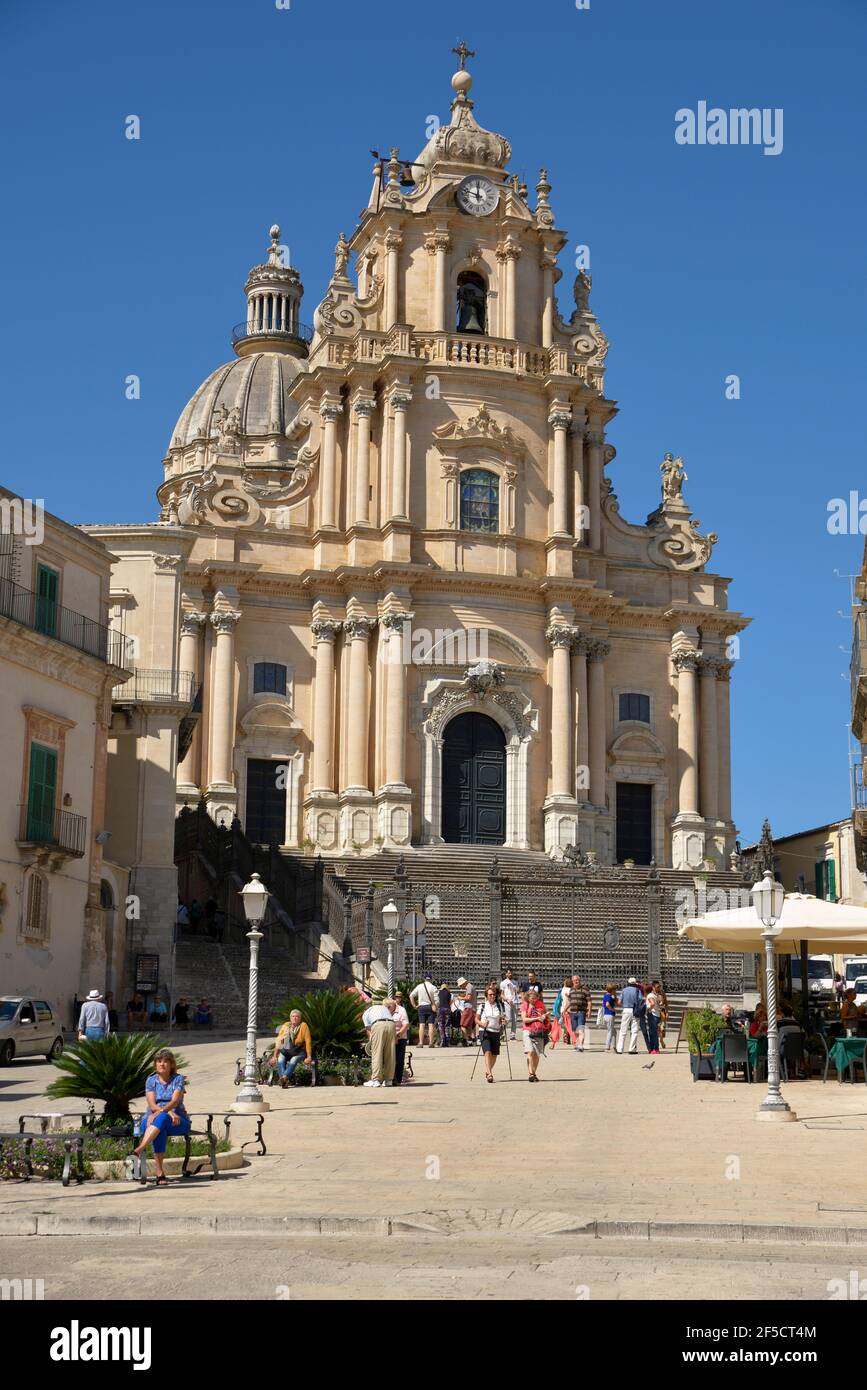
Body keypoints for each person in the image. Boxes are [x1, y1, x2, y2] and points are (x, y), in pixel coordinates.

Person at [132, 1048, 191, 1186]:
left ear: (171, 1065)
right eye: (159, 1061)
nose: (162, 1064)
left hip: (178, 1121)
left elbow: (175, 1101)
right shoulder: (151, 1080)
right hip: (153, 1119)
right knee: (161, 1124)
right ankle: (160, 1174)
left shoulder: (178, 1079)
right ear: (155, 1064)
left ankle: (139, 1150)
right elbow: (152, 1105)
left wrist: (166, 1112)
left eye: (165, 1061)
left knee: (162, 1119)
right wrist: (167, 1112)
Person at [271, 1009, 312, 1086]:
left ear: (300, 1018)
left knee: (293, 1060)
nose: (295, 1018)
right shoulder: (286, 1025)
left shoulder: (303, 1026)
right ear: (290, 1018)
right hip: (286, 1051)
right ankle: (284, 1081)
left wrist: (309, 1056)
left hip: (298, 1052)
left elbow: (308, 1042)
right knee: (280, 1059)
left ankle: (283, 1078)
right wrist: (274, 1056)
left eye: (297, 1016)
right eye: (293, 1016)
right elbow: (279, 1040)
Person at [362, 998, 396, 1087]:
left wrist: (371, 1043)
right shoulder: (383, 1008)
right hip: (392, 1024)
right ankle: (389, 1080)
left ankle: (375, 1080)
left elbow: (369, 1030)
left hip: (378, 1025)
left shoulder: (366, 1013)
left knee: (376, 1053)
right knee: (390, 1053)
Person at [476, 985, 505, 1082]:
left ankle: (488, 1071)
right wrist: (482, 1024)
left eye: (493, 994)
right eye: (490, 995)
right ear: (486, 996)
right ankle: (490, 1074)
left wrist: (503, 1021)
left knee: (494, 1054)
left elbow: (501, 1019)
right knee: (487, 1052)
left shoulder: (499, 1006)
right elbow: (476, 1019)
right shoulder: (482, 1006)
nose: (492, 996)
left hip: (496, 1031)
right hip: (484, 1031)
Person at [520, 990, 548, 1081]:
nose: (534, 1000)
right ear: (528, 998)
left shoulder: (540, 1004)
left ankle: (533, 1072)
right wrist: (536, 1018)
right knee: (530, 1052)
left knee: (537, 1053)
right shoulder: (525, 1005)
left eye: (536, 998)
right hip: (528, 1030)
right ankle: (531, 1073)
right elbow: (524, 1019)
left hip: (539, 1030)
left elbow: (545, 1015)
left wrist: (545, 1016)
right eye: (532, 998)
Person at [616, 977, 643, 1055]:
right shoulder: (637, 991)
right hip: (635, 1010)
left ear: (628, 983)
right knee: (634, 1030)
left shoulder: (624, 990)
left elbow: (619, 1002)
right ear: (635, 983)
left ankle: (619, 1049)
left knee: (623, 1030)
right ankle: (632, 1049)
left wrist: (625, 1004)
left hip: (626, 1010)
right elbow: (641, 1000)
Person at [410, 975, 438, 1047]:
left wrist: (414, 1005)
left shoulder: (419, 986)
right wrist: (435, 1007)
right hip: (430, 1007)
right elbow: (437, 1000)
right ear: (431, 980)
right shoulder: (433, 987)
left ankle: (421, 1043)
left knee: (421, 1025)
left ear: (424, 979)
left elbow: (411, 995)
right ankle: (431, 1043)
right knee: (431, 1025)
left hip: (421, 1007)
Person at [568, 974, 592, 1052]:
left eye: (577, 980)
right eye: (575, 980)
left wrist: (589, 1011)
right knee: (575, 1031)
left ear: (580, 980)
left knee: (581, 1029)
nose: (576, 981)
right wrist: (565, 1010)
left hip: (581, 1012)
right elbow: (569, 1001)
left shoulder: (585, 989)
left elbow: (589, 1001)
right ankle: (578, 1045)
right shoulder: (571, 990)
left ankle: (581, 1045)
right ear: (572, 981)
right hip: (572, 1012)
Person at [393, 991, 411, 1085]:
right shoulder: (387, 1008)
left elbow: (406, 1024)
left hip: (400, 1037)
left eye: (399, 997)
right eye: (396, 997)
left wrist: (399, 1034)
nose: (398, 998)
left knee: (399, 1060)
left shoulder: (402, 1009)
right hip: (389, 1038)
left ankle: (398, 1079)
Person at [500, 968, 521, 1039]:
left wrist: (517, 990)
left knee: (515, 1019)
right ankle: (501, 1031)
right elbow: (502, 994)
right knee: (508, 1018)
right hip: (508, 1002)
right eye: (508, 973)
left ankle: (513, 1035)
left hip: (515, 1002)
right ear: (506, 974)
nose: (510, 974)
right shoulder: (503, 983)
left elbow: (518, 991)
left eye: (511, 973)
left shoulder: (515, 982)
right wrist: (507, 999)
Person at [652, 980, 669, 1049]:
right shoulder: (652, 994)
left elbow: (666, 1003)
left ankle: (661, 1040)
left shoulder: (662, 993)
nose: (659, 988)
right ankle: (656, 1042)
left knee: (662, 1028)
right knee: (657, 1028)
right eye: (658, 987)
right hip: (655, 1012)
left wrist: (667, 1012)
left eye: (660, 986)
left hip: (662, 1012)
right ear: (653, 987)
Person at [645, 983, 661, 1055]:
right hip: (657, 1014)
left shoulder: (650, 995)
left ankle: (655, 1048)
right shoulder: (655, 995)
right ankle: (653, 1048)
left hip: (652, 1014)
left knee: (653, 1033)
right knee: (653, 1032)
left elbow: (652, 1004)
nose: (659, 988)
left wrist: (648, 1010)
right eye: (658, 987)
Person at [602, 982, 617, 1051]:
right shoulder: (608, 996)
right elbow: (607, 1004)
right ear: (612, 990)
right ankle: (607, 1046)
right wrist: (612, 1009)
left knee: (614, 1031)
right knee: (610, 1031)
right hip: (609, 1014)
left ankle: (614, 1045)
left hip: (606, 1014)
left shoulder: (607, 995)